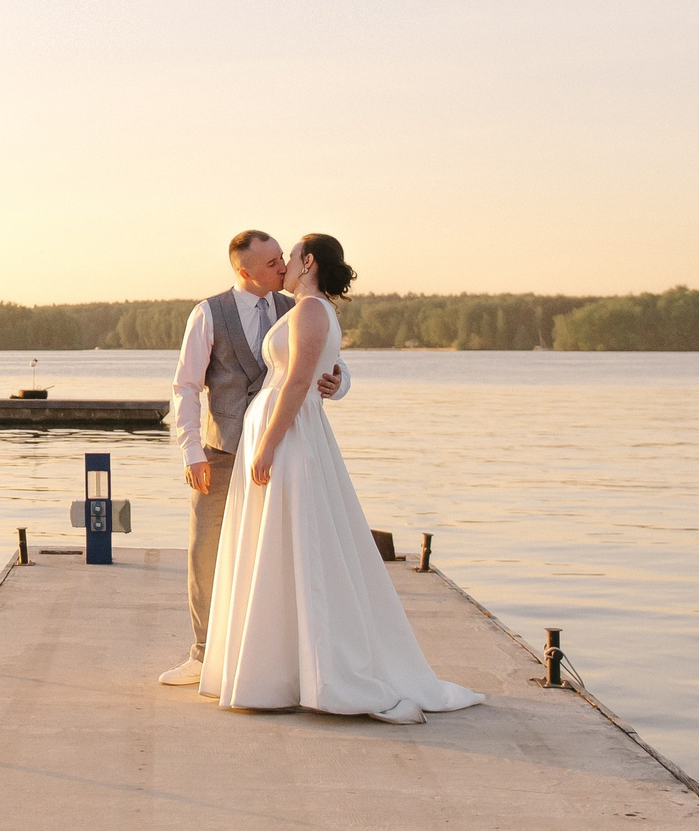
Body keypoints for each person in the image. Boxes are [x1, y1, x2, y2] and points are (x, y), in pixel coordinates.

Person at [200, 233, 484, 723]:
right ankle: (278, 669)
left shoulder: (310, 312)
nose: (283, 265)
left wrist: (267, 443)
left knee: (295, 545)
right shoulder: (303, 310)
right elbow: (316, 372)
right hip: (283, 432)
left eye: (289, 258)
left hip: (289, 438)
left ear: (308, 262)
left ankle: (307, 673)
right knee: (277, 548)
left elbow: (296, 381)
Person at [159, 230, 346, 687]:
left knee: (272, 553)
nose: (282, 268)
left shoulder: (299, 307)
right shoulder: (207, 314)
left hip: (279, 449)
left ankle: (270, 656)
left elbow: (327, 366)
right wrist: (191, 451)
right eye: (271, 264)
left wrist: (338, 384)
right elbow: (185, 386)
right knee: (207, 551)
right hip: (222, 450)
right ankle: (204, 655)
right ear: (243, 271)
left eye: (283, 259)